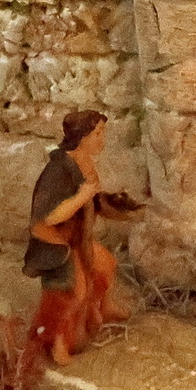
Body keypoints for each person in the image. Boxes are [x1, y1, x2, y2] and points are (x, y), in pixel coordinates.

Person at [24, 110, 135, 364]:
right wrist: (80, 197)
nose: (102, 139)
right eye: (98, 134)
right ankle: (56, 342)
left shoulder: (85, 162)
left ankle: (104, 307)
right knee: (73, 291)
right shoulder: (57, 171)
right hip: (57, 242)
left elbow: (92, 201)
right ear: (82, 137)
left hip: (79, 239)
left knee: (105, 263)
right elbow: (47, 218)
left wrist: (120, 208)